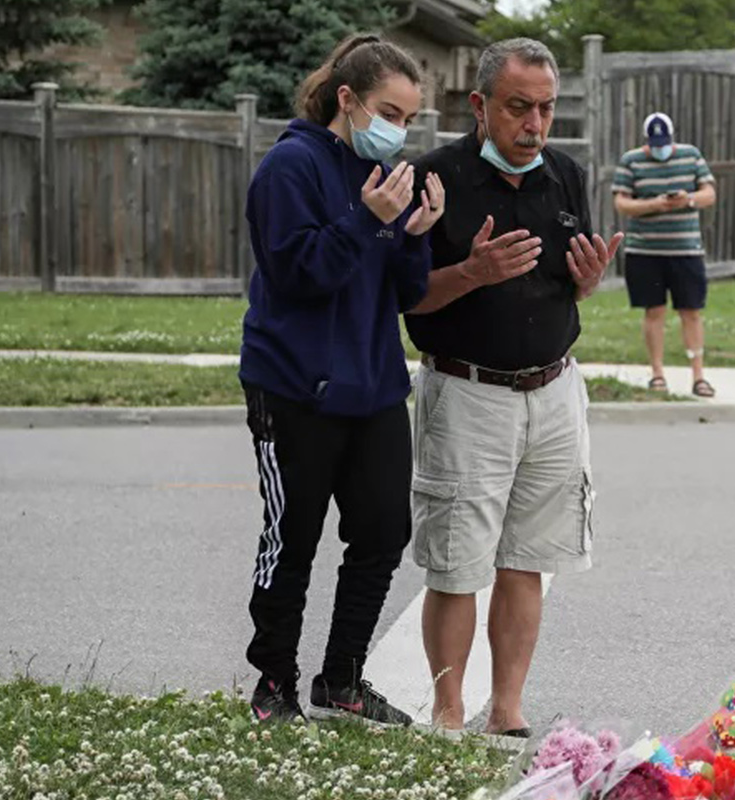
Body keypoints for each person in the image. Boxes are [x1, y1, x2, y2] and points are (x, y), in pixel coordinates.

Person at [406, 38, 622, 736]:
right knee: (458, 563)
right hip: (468, 394)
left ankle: (506, 709)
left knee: (528, 560)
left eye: (546, 109)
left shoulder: (564, 174)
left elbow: (570, 280)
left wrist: (588, 282)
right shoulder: (435, 178)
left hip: (555, 393)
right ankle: (447, 712)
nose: (533, 125)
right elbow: (407, 300)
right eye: (518, 108)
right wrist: (471, 272)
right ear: (479, 106)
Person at [239, 33, 444, 725]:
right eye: (390, 111)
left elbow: (401, 294)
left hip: (374, 385)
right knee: (291, 539)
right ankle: (274, 684)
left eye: (410, 119)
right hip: (293, 385)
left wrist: (415, 232)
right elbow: (298, 275)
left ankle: (343, 679)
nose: (399, 129)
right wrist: (369, 218)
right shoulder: (289, 168)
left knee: (384, 532)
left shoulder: (386, 179)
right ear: (348, 99)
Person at [612, 112, 719, 397]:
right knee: (654, 311)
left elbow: (710, 194)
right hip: (645, 251)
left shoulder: (691, 156)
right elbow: (622, 203)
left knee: (691, 311)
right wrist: (655, 204)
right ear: (647, 141)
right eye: (654, 143)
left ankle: (699, 375)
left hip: (686, 250)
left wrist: (689, 200)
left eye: (664, 143)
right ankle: (657, 373)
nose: (659, 149)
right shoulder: (631, 160)